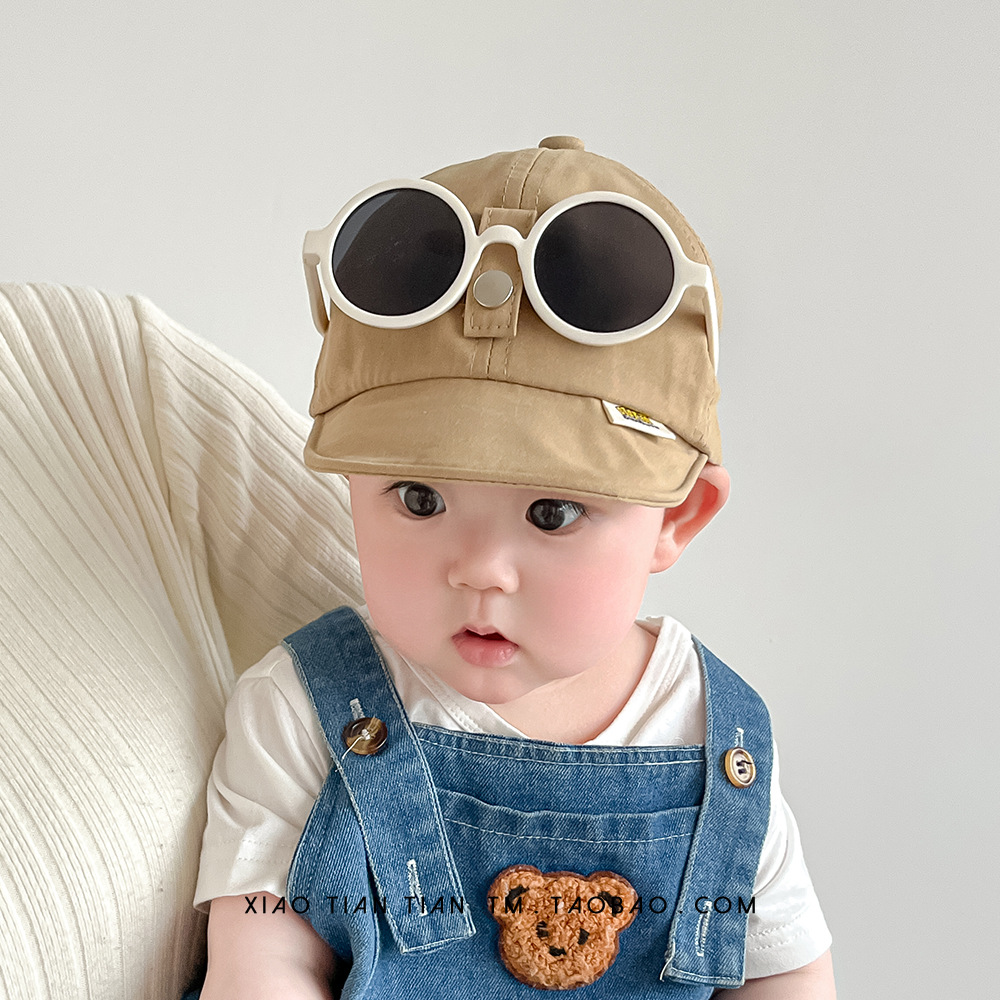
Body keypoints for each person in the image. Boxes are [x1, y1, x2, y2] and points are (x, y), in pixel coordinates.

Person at [191, 136, 835, 998]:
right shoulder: (303, 712)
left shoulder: (718, 742)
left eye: (553, 512)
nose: (481, 570)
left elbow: (782, 975)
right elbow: (261, 959)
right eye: (419, 499)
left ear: (675, 519)